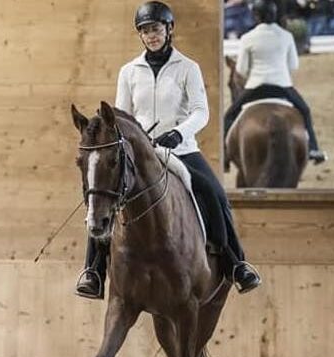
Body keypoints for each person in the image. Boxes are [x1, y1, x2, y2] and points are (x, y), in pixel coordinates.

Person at [75, 1, 262, 300]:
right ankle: (93, 271)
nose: (151, 36)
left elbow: (201, 112)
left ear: (169, 29)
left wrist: (179, 133)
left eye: (156, 29)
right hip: (142, 152)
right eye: (146, 31)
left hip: (182, 148)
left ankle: (235, 262)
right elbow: (122, 115)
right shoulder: (129, 71)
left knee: (213, 192)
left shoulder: (188, 68)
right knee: (102, 193)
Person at [222, 0, 328, 164]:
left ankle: (224, 156)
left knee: (229, 116)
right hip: (282, 87)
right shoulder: (286, 36)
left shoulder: (247, 38)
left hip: (255, 88)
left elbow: (241, 70)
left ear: (255, 16)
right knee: (305, 111)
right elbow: (294, 65)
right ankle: (314, 148)